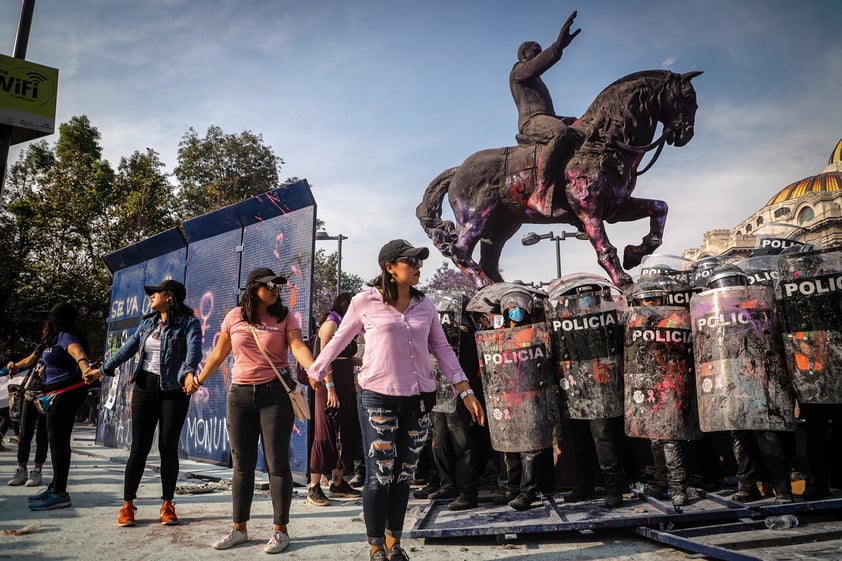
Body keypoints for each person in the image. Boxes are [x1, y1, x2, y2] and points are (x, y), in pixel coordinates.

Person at [307, 239, 486, 561]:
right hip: (377, 397)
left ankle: (394, 542)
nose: (418, 266)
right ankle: (376, 546)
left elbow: (443, 350)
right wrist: (318, 369)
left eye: (420, 261)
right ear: (390, 267)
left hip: (417, 400)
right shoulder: (364, 301)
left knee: (403, 475)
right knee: (379, 475)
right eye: (411, 261)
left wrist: (466, 390)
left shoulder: (425, 305)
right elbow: (339, 338)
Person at [185, 267, 316, 554]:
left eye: (277, 285)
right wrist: (199, 379)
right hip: (239, 397)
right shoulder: (235, 317)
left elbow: (297, 346)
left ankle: (280, 531)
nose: (274, 289)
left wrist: (314, 368)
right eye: (268, 284)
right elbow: (220, 353)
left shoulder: (285, 317)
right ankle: (239, 529)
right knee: (241, 466)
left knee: (277, 465)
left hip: (274, 396)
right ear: (252, 288)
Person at [85, 279, 202, 527]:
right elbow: (127, 349)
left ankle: (168, 504)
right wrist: (102, 370)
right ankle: (128, 505)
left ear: (169, 296)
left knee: (168, 448)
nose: (151, 297)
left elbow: (193, 351)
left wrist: (190, 371)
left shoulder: (189, 323)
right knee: (139, 447)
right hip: (144, 388)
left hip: (175, 390)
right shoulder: (147, 323)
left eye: (155, 293)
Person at [11, 302, 93, 510]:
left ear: (57, 321)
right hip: (54, 392)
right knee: (54, 438)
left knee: (58, 441)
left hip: (66, 392)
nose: (46, 323)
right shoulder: (52, 339)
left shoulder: (66, 336)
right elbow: (32, 359)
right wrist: (12, 366)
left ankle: (60, 493)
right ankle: (55, 486)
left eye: (50, 319)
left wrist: (85, 368)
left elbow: (78, 353)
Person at [510, 10, 581, 217]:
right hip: (531, 122)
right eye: (536, 51)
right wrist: (558, 46)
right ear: (524, 55)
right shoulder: (519, 70)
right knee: (560, 133)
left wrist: (573, 121)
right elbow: (538, 65)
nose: (540, 54)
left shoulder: (536, 80)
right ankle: (540, 194)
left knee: (577, 127)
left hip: (544, 119)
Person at [490, 287, 555, 511]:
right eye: (510, 307)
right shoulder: (499, 334)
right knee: (510, 442)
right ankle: (512, 487)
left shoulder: (537, 332)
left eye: (517, 307)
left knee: (531, 447)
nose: (513, 311)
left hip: (531, 394)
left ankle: (528, 491)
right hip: (508, 395)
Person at [306, 292, 363, 507]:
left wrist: (367, 362)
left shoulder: (349, 326)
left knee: (344, 429)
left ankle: (338, 483)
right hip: (329, 384)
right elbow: (325, 358)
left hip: (346, 381)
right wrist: (330, 389)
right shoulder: (331, 324)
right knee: (326, 432)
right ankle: (314, 487)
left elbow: (346, 357)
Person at [6, 354, 48, 487]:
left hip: (46, 396)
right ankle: (21, 469)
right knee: (24, 434)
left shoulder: (64, 345)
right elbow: (29, 360)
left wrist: (48, 372)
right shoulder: (43, 346)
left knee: (42, 434)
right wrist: (16, 365)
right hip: (29, 395)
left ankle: (37, 470)